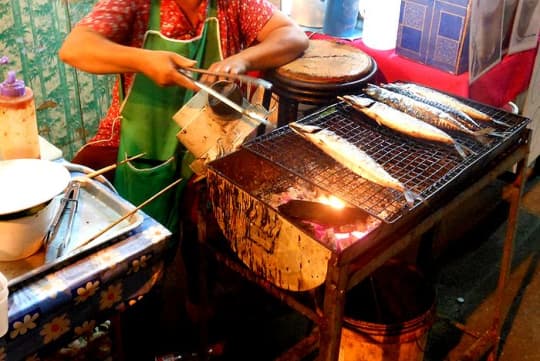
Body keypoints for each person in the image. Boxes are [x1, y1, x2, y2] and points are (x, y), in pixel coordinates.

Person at [58, 0, 309, 232]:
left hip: (212, 140)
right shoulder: (135, 3)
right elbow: (75, 48)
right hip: (139, 141)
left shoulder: (233, 4)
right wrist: (143, 60)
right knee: (78, 203)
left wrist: (241, 60)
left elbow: (293, 35)